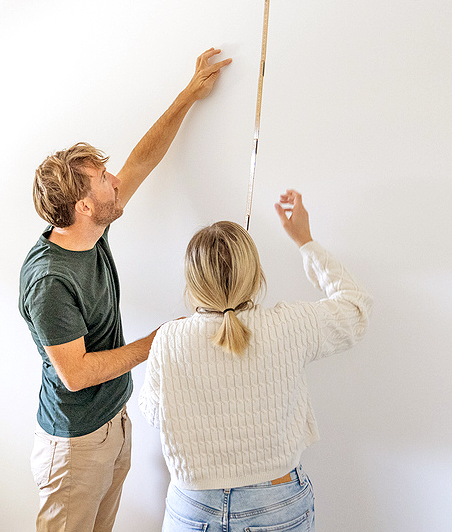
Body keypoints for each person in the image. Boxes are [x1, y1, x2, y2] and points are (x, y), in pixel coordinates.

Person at [18, 48, 232, 532]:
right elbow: (74, 375)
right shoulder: (51, 281)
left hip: (112, 422)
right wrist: (154, 343)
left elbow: (142, 160)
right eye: (103, 180)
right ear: (83, 205)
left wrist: (190, 94)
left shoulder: (92, 230)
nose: (117, 182)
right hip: (74, 446)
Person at [138, 190, 372, 532]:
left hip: (192, 507)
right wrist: (305, 241)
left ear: (192, 283)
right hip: (276, 502)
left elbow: (155, 413)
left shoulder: (168, 339)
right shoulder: (290, 324)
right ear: (256, 274)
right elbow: (356, 308)